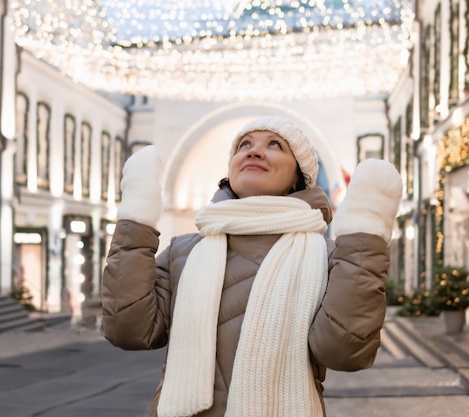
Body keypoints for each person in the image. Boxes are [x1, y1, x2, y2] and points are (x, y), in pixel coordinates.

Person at [101, 116, 403, 417]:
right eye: (244, 145)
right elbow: (128, 329)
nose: (254, 151)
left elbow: (344, 351)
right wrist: (135, 221)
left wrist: (364, 239)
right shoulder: (184, 251)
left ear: (300, 176)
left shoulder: (329, 257)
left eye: (275, 145)